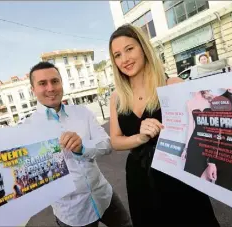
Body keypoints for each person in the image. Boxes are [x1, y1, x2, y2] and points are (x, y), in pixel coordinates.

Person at [108, 24, 220, 227]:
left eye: (129, 49)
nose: (124, 59)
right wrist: (139, 138)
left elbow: (200, 131)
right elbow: (115, 141)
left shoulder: (172, 85)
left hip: (178, 174)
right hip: (140, 178)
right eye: (117, 55)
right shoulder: (117, 98)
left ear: (143, 48)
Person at [24, 61, 132, 227]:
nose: (51, 88)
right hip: (72, 213)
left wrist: (83, 148)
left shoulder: (82, 112)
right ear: (33, 90)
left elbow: (106, 143)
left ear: (61, 83)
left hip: (104, 195)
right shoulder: (27, 129)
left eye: (55, 81)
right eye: (42, 83)